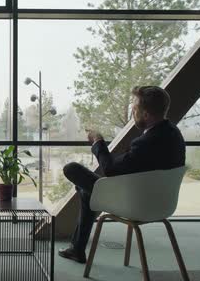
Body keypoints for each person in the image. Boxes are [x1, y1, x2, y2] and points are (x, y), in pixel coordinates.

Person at [59, 86, 185, 263]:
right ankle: (77, 248)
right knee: (88, 191)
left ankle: (77, 248)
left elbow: (110, 170)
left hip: (136, 203)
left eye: (135, 108)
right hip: (162, 204)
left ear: (146, 114)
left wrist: (98, 141)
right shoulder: (174, 134)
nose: (133, 112)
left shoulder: (145, 143)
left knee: (72, 169)